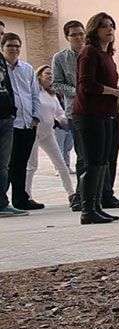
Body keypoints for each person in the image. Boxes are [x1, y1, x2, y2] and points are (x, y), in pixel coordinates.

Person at [74, 12, 119, 224]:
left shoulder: (107, 55)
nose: (109, 29)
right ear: (95, 29)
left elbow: (105, 85)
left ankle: (97, 205)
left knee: (103, 162)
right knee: (93, 163)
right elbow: (87, 85)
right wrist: (115, 92)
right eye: (104, 26)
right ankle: (87, 210)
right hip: (89, 115)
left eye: (111, 26)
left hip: (107, 114)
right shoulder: (89, 52)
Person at [1, 32, 42, 212]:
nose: (14, 49)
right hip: (11, 122)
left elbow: (34, 94)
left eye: (17, 46)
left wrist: (35, 116)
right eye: (10, 45)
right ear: (2, 48)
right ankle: (3, 200)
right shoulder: (2, 70)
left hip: (27, 123)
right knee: (6, 164)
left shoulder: (27, 69)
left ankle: (21, 198)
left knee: (21, 163)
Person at [52, 20, 90, 211]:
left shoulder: (92, 54)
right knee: (82, 155)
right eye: (74, 34)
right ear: (67, 37)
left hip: (96, 110)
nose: (79, 37)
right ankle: (80, 196)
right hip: (75, 111)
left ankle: (100, 193)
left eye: (81, 33)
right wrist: (78, 91)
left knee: (100, 156)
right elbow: (56, 84)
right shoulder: (60, 58)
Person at [25, 65, 75, 205]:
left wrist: (67, 121)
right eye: (47, 73)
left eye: (51, 74)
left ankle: (71, 194)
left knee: (61, 164)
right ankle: (27, 196)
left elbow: (59, 113)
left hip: (48, 133)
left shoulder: (51, 94)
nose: (50, 76)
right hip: (33, 132)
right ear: (39, 76)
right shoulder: (33, 92)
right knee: (31, 165)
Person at [0, 27, 21, 217]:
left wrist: (13, 110)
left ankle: (2, 203)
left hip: (6, 117)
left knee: (3, 164)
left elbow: (8, 87)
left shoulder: (1, 62)